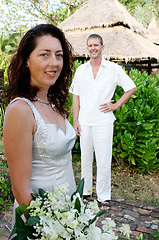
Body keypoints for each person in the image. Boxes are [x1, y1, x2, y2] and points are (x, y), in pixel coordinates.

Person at [3, 24, 76, 227]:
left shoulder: (53, 103)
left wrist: (74, 220)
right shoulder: (21, 110)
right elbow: (20, 189)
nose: (54, 63)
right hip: (40, 219)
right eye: (44, 55)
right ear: (26, 60)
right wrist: (48, 228)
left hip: (69, 212)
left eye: (59, 55)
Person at [70, 34, 136, 208]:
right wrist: (75, 121)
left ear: (102, 47)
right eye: (90, 45)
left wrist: (115, 105)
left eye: (96, 45)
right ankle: (84, 192)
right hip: (84, 121)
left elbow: (130, 87)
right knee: (85, 159)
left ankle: (103, 196)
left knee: (104, 160)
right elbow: (75, 97)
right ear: (88, 48)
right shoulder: (81, 70)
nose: (93, 48)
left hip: (104, 122)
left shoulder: (113, 69)